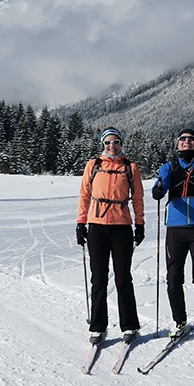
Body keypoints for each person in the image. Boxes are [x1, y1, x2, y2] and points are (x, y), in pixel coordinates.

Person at [76, 128, 146, 345]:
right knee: (98, 278)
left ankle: (130, 325)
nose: (111, 146)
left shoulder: (130, 167)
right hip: (97, 227)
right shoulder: (93, 165)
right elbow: (84, 195)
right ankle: (97, 327)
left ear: (121, 143)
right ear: (102, 144)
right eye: (107, 142)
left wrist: (140, 224)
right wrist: (81, 222)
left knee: (123, 277)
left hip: (122, 227)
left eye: (115, 142)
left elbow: (138, 198)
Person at [151, 129, 194, 340]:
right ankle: (179, 321)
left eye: (191, 139)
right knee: (173, 279)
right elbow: (160, 185)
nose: (187, 142)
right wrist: (158, 190)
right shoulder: (170, 167)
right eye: (183, 139)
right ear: (178, 144)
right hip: (175, 229)